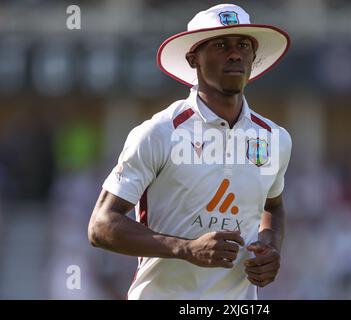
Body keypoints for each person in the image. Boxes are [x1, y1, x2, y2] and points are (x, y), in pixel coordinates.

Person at [88, 3, 292, 299]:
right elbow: (101, 225)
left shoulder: (275, 138)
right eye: (221, 44)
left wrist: (270, 245)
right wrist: (186, 248)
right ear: (193, 59)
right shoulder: (159, 132)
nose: (235, 53)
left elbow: (273, 205)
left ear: (253, 56)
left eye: (244, 45)